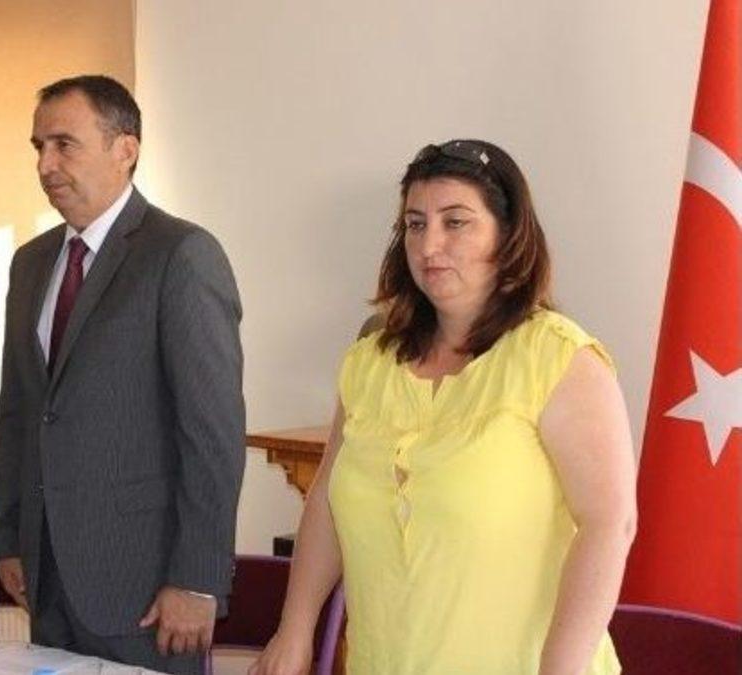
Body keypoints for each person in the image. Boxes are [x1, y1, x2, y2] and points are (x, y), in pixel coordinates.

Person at [252, 140, 637, 674]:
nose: (429, 245)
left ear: (508, 234)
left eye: (455, 222)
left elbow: (609, 524)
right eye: (415, 224)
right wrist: (295, 627)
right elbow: (326, 503)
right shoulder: (367, 364)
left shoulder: (560, 357)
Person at [0, 75, 246, 674]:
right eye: (38, 147)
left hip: (146, 589)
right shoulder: (31, 263)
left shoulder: (181, 254)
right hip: (45, 575)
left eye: (64, 144)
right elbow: (20, 412)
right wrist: (8, 536)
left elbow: (212, 434)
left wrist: (197, 580)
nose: (45, 164)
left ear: (124, 149)